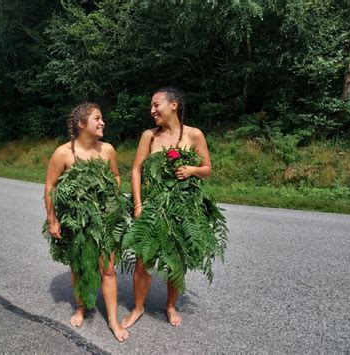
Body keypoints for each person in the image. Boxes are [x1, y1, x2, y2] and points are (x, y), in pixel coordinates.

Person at [122, 87, 228, 328]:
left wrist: (192, 170)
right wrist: (138, 204)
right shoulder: (149, 136)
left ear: (174, 105)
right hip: (152, 207)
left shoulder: (194, 135)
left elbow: (207, 168)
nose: (152, 110)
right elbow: (136, 169)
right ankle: (138, 308)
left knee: (177, 260)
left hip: (183, 208)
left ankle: (170, 306)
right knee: (142, 260)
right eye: (151, 106)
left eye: (156, 104)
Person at [43, 103, 129, 342]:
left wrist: (110, 197)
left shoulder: (108, 150)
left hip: (105, 220)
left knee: (108, 270)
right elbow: (50, 187)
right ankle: (81, 307)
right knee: (79, 267)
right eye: (97, 119)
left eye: (102, 119)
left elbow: (117, 177)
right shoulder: (63, 153)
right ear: (82, 124)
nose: (103, 123)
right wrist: (53, 219)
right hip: (75, 221)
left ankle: (112, 318)